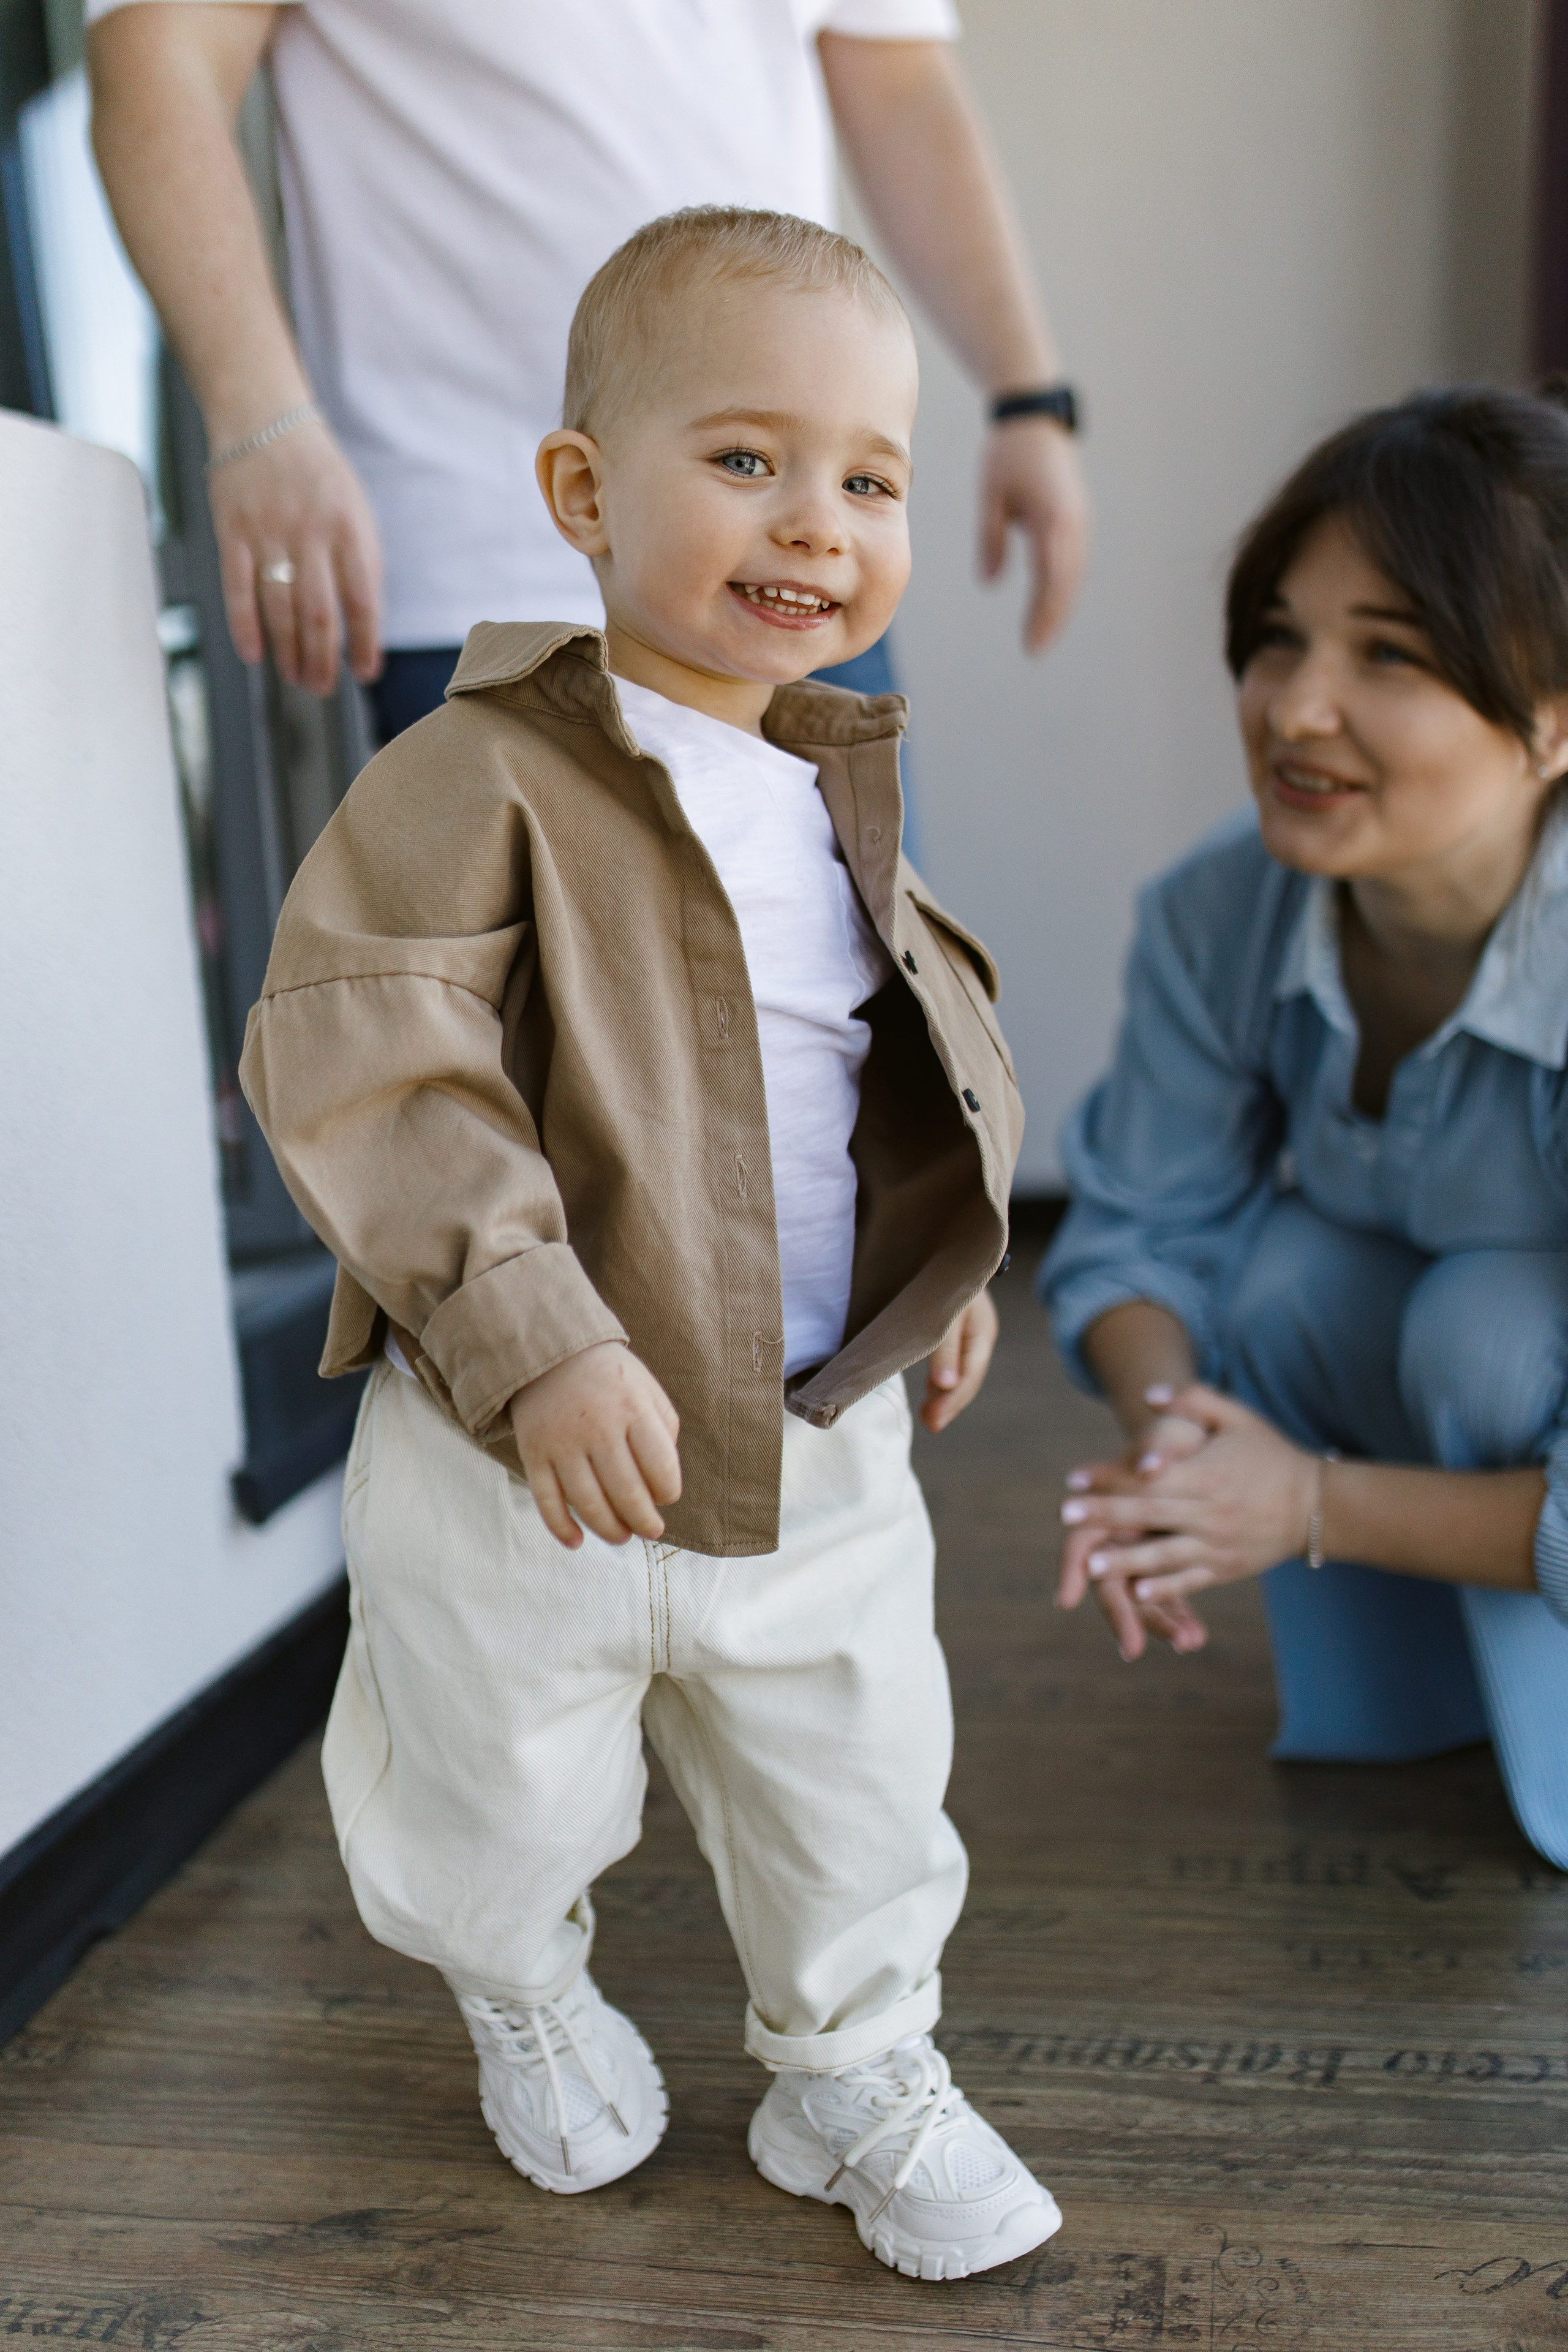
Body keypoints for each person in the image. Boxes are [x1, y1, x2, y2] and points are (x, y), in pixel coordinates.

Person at [239, 206, 1060, 2278]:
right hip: (528, 1460)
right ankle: (522, 1984)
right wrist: (531, 1327)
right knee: (493, 1789)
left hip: (811, 1438)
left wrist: (930, 1269)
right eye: (749, 458)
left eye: (869, 477)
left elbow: (894, 1055)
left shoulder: (841, 785)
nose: (819, 519)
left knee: (862, 1776)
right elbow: (372, 1053)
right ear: (584, 497)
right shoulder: (479, 777)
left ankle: (852, 2063)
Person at [1039, 386, 1568, 1872]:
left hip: (1513, 1361)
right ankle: (1419, 1708)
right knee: (1273, 1279)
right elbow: (1141, 1227)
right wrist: (1176, 1453)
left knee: (1482, 1326)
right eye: (1280, 636)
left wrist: (1305, 1503)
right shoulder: (1221, 907)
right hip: (1441, 1367)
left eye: (1385, 654)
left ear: (1550, 724)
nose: (1293, 706)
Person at [86, 0, 1089, 734]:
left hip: (798, 551)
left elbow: (900, 83)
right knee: (546, 1019)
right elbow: (158, 56)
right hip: (496, 575)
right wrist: (262, 418)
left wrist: (1026, 393)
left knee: (841, 1005)